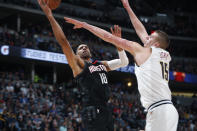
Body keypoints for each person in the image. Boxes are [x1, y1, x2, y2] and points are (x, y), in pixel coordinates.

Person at [64, 11, 179, 131]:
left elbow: (116, 49)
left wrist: (85, 25)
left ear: (155, 44)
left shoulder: (103, 63)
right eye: (80, 48)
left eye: (149, 37)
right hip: (164, 109)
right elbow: (141, 31)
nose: (146, 38)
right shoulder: (163, 54)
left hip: (158, 109)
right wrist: (127, 7)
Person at [37, 0, 129, 131]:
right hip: (92, 109)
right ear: (76, 54)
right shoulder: (78, 64)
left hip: (105, 109)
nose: (84, 48)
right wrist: (50, 16)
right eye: (80, 48)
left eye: (86, 47)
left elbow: (124, 62)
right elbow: (63, 42)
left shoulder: (101, 64)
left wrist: (119, 44)